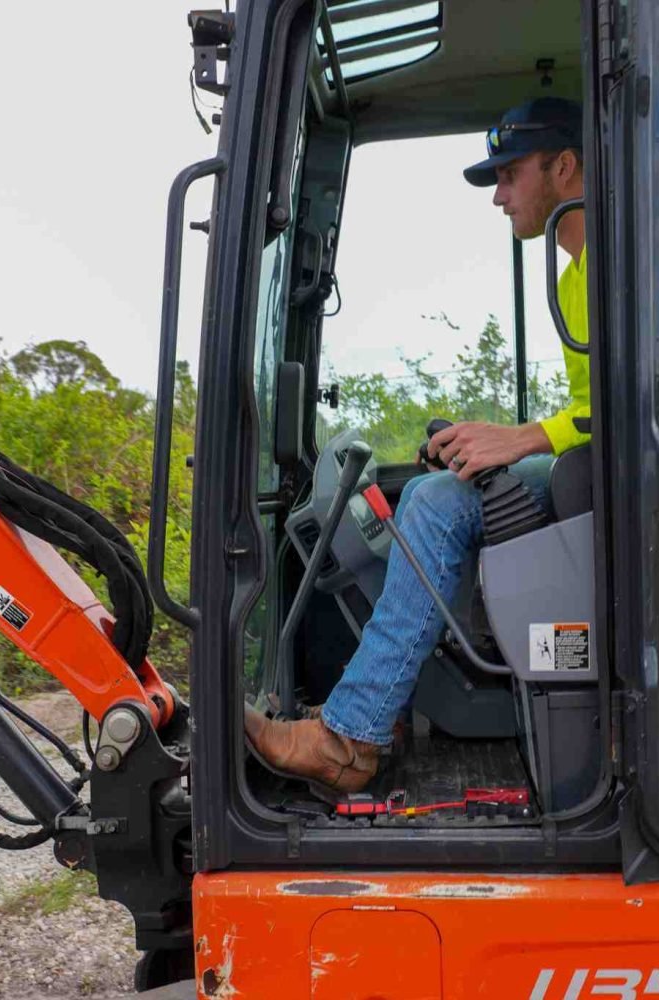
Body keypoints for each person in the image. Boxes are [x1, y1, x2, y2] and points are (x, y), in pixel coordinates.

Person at [245, 97, 591, 795]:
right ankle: (376, 711)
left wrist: (522, 437)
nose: (498, 195)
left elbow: (657, 404)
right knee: (439, 484)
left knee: (435, 503)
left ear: (564, 166)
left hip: (640, 486)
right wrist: (489, 441)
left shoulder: (625, 270)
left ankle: (353, 737)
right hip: (599, 467)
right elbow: (599, 406)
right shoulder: (581, 274)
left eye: (509, 174)